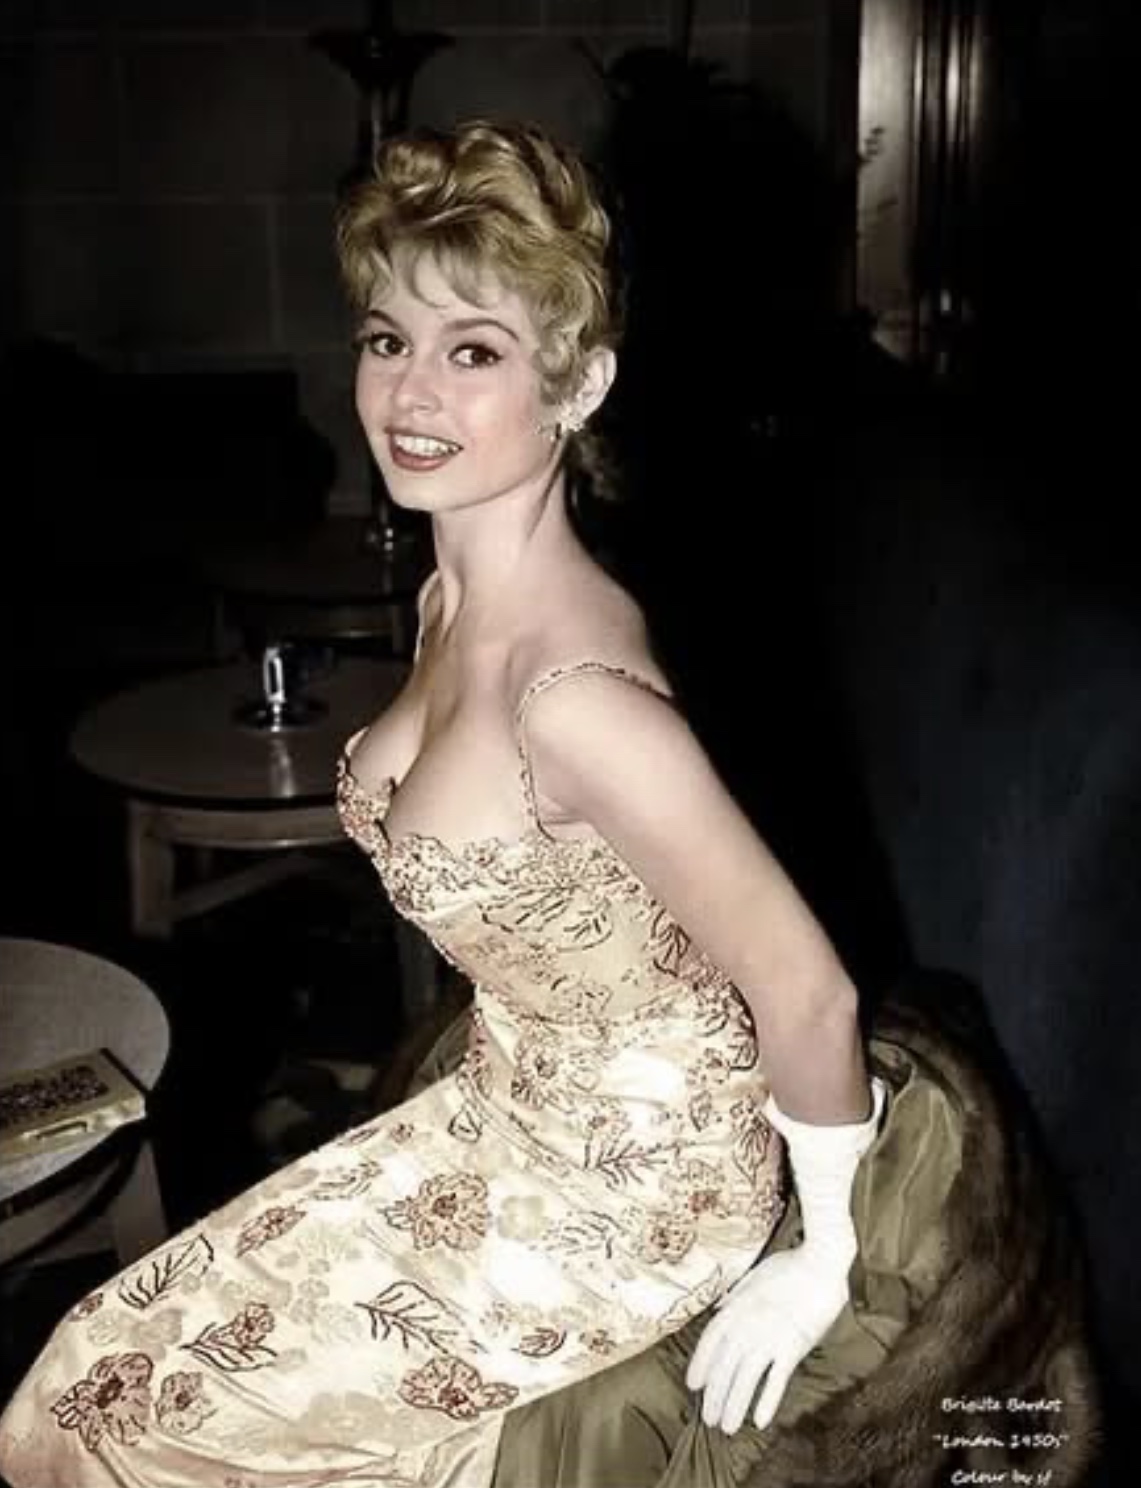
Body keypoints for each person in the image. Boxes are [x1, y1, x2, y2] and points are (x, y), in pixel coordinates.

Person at [0, 119, 885, 1487]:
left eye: (473, 352)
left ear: (579, 382)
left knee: (127, 1429)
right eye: (385, 338)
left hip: (636, 1190)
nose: (409, 392)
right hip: (503, 1103)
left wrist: (822, 1258)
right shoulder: (444, 599)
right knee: (89, 1363)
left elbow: (809, 994)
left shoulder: (576, 700)